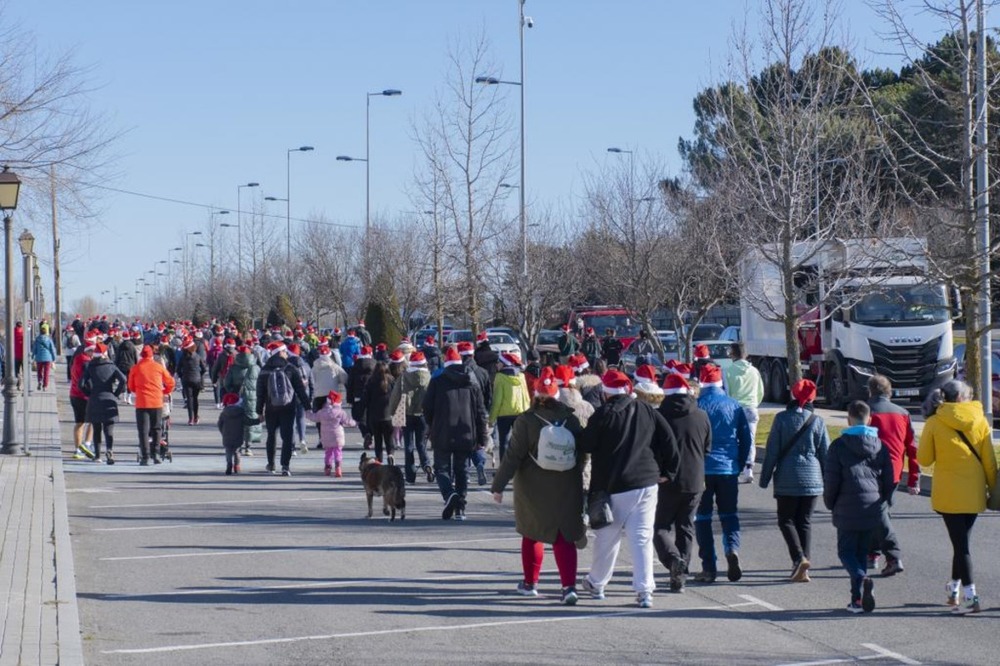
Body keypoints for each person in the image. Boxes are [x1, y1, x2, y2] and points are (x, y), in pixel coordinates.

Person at [579, 369, 680, 609]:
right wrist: (668, 472)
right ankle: (645, 591)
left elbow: (586, 443)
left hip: (612, 485)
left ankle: (597, 582)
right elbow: (669, 442)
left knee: (607, 536)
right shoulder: (647, 410)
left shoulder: (603, 414)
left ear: (605, 393)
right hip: (647, 482)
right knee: (642, 538)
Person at [491, 366, 586, 605]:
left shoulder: (527, 421)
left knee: (532, 534)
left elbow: (513, 455)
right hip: (566, 485)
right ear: (556, 395)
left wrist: (498, 485)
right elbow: (582, 454)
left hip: (533, 486)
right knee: (564, 537)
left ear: (535, 394)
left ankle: (530, 583)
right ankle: (568, 587)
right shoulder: (571, 419)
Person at [917, 380, 997, 614]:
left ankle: (971, 595)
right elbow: (990, 461)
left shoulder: (934, 421)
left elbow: (925, 460)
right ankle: (953, 590)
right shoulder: (980, 419)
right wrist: (993, 489)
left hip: (947, 493)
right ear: (964, 398)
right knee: (961, 543)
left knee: (961, 545)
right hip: (973, 491)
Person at [823, 400, 894, 614]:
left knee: (846, 552)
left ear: (848, 419)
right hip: (872, 507)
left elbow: (831, 480)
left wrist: (830, 502)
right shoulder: (881, 445)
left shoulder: (838, 446)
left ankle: (861, 580)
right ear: (870, 419)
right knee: (862, 552)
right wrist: (884, 500)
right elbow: (889, 479)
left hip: (846, 506)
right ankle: (857, 599)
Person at [759, 379, 829, 583]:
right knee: (804, 522)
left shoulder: (781, 419)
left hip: (787, 477)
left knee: (786, 520)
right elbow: (825, 453)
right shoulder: (817, 421)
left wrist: (764, 478)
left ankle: (798, 558)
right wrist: (829, 481)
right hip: (812, 478)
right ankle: (803, 565)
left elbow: (772, 451)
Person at [693, 363, 752, 583]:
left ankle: (709, 567)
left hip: (703, 468)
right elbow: (746, 438)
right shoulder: (734, 405)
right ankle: (732, 548)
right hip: (728, 467)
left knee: (703, 518)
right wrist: (740, 462)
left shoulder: (697, 405)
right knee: (729, 514)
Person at [655, 373, 712, 593]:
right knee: (686, 527)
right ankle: (682, 573)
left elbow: (652, 448)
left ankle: (673, 562)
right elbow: (707, 448)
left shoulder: (658, 416)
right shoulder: (702, 415)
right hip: (695, 480)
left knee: (660, 527)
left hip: (666, 480)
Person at [423, 346, 490, 521]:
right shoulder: (472, 382)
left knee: (442, 468)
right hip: (467, 433)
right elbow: (480, 412)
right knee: (462, 470)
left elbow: (427, 407)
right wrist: (483, 437)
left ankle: (449, 494)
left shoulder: (437, 382)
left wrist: (432, 425)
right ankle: (460, 506)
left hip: (443, 432)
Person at [866, 374, 919, 577]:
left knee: (878, 512)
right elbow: (912, 448)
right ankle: (873, 553)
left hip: (872, 470)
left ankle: (891, 555)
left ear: (870, 391)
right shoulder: (903, 413)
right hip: (895, 471)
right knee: (879, 510)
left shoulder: (866, 411)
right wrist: (914, 477)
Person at [256, 341, 312, 476]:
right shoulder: (290, 368)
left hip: (271, 408)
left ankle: (271, 464)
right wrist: (307, 407)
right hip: (288, 407)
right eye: (285, 351)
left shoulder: (264, 370)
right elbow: (300, 389)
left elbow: (260, 393)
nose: (287, 354)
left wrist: (259, 411)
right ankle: (285, 466)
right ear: (280, 352)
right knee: (287, 437)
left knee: (271, 436)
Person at [388, 350, 433, 484]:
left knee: (408, 445)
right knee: (421, 444)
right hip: (423, 414)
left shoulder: (403, 377)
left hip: (407, 414)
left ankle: (410, 475)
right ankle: (427, 465)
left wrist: (392, 411)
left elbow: (395, 396)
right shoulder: (429, 378)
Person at [723, 342, 764, 483]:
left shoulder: (728, 371)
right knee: (750, 440)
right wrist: (754, 403)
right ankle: (749, 468)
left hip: (735, 409)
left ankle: (735, 467)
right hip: (751, 408)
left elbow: (727, 392)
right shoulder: (754, 371)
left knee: (734, 439)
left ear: (732, 354)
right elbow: (760, 392)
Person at [128, 344, 176, 465]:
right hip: (156, 401)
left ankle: (145, 456)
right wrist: (164, 391)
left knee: (143, 430)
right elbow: (171, 382)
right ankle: (156, 454)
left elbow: (131, 386)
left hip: (142, 402)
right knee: (156, 429)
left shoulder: (135, 368)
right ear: (151, 355)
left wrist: (138, 391)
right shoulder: (158, 367)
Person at [489, 352, 531, 463]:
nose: (497, 364)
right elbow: (526, 396)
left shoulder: (500, 377)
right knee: (520, 441)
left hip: (504, 414)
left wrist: (492, 418)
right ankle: (520, 467)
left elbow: (497, 400)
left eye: (499, 362)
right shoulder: (521, 376)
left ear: (504, 364)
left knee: (504, 442)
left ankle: (504, 468)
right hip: (520, 413)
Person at [221, 344, 260, 456]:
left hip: (237, 398)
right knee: (250, 420)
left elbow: (226, 383)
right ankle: (248, 446)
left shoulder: (234, 367)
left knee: (237, 422)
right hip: (253, 398)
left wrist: (231, 391)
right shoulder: (256, 367)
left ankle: (238, 446)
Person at [305, 390, 356, 477]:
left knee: (328, 453)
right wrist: (355, 423)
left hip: (326, 437)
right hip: (337, 436)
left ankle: (328, 468)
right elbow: (348, 421)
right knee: (338, 452)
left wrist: (307, 412)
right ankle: (338, 467)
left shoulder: (322, 412)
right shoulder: (340, 412)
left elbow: (313, 417)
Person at [310, 342, 349, 449]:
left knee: (319, 419)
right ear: (329, 355)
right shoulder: (334, 366)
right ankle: (335, 438)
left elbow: (311, 380)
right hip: (333, 396)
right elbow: (345, 378)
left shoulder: (314, 367)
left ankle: (321, 439)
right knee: (335, 418)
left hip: (318, 395)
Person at [217, 392, 259, 475]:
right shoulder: (241, 413)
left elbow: (219, 424)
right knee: (237, 451)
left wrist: (223, 432)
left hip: (226, 435)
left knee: (228, 451)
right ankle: (236, 466)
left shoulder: (224, 413)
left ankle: (229, 464)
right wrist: (258, 420)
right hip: (238, 435)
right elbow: (248, 422)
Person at [362, 361, 396, 462]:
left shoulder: (371, 381)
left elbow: (366, 399)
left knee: (378, 440)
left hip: (375, 416)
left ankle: (379, 460)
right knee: (389, 439)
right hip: (388, 415)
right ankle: (390, 455)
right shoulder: (392, 381)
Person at [347, 345, 376, 450]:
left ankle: (365, 433)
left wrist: (349, 398)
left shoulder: (355, 366)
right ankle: (371, 434)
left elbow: (350, 384)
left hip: (358, 395)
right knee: (372, 416)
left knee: (359, 417)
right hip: (373, 396)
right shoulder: (376, 365)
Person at [177, 337, 207, 425]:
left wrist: (182, 376)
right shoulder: (197, 357)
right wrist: (200, 374)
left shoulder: (183, 357)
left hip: (186, 379)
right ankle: (196, 416)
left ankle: (190, 418)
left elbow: (178, 369)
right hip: (196, 379)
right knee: (195, 399)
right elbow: (204, 369)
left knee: (189, 399)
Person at [115, 331, 140, 404]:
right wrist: (136, 366)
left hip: (121, 366)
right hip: (130, 366)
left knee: (122, 381)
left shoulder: (120, 346)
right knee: (129, 382)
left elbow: (117, 357)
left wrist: (116, 365)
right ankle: (129, 398)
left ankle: (124, 397)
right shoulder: (132, 346)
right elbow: (135, 357)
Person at [31, 323, 57, 391]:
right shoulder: (49, 340)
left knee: (39, 371)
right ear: (46, 332)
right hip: (48, 358)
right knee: (46, 372)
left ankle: (39, 381)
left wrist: (32, 356)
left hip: (39, 358)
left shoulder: (37, 339)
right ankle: (45, 386)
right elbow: (52, 349)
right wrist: (54, 358)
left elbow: (34, 349)